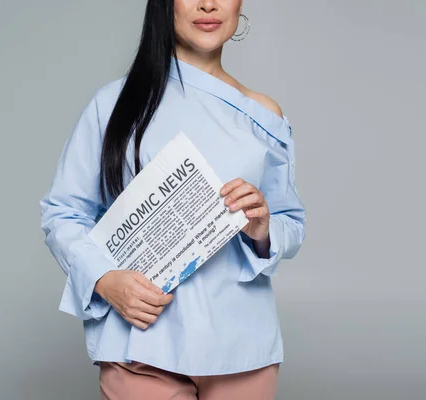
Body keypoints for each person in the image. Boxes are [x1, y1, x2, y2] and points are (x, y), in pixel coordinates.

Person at [39, 0, 306, 398]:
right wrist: (104, 280)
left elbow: (291, 222)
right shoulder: (114, 103)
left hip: (240, 344)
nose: (208, 4)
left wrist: (263, 230)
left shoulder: (263, 113)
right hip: (141, 341)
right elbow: (63, 212)